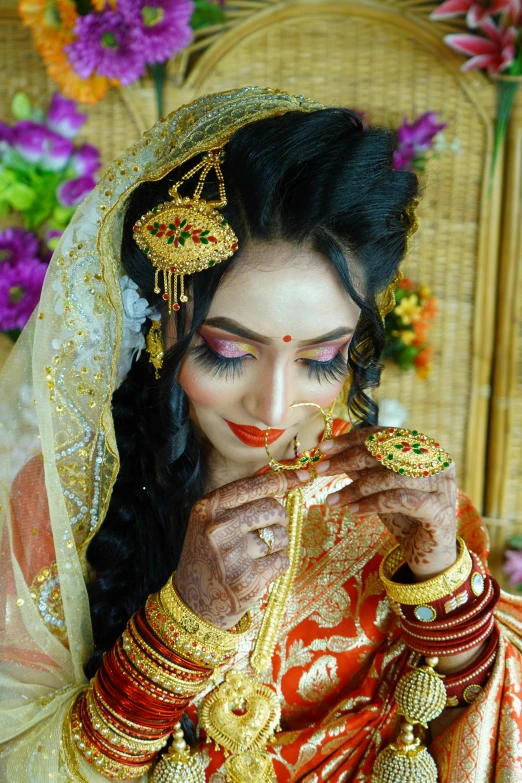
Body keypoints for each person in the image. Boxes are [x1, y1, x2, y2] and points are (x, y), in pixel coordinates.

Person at [0, 87, 521, 783]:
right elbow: (23, 759)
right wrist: (181, 624)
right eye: (228, 350)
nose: (274, 404)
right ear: (161, 324)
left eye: (319, 358)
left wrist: (439, 580)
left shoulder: (398, 514)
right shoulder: (57, 508)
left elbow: (478, 734)